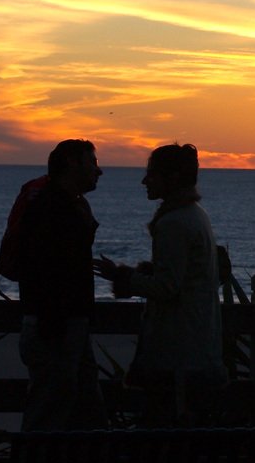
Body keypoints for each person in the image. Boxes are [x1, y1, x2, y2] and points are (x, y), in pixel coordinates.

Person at [94, 142, 227, 426]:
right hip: (198, 343)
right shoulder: (196, 215)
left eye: (152, 174)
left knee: (165, 427)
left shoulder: (174, 223)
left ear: (173, 178)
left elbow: (167, 287)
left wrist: (123, 277)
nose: (144, 181)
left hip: (177, 351)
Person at [16, 139, 108, 431]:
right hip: (56, 328)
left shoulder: (66, 206)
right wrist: (54, 325)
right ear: (71, 163)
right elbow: (47, 271)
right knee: (50, 411)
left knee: (82, 409)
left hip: (65, 326)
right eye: (92, 162)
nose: (99, 171)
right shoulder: (53, 209)